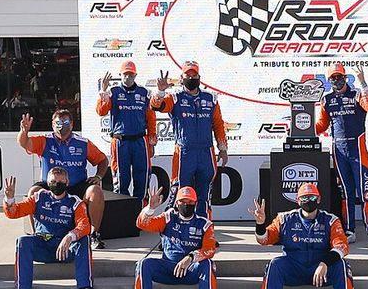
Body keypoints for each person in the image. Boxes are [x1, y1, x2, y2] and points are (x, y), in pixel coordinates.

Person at [251, 183, 355, 289]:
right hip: (294, 268)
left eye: (312, 197)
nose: (308, 201)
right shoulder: (284, 218)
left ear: (319, 199)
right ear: (298, 201)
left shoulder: (331, 220)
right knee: (274, 264)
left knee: (342, 265)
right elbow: (264, 239)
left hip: (320, 271)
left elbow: (342, 246)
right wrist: (260, 224)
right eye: (304, 198)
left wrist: (325, 263)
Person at [2, 171, 95, 289]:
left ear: (67, 183)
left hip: (65, 249)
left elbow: (85, 225)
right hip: (43, 246)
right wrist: (9, 199)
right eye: (52, 182)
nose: (56, 185)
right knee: (23, 241)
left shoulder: (75, 202)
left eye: (60, 182)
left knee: (84, 241)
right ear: (47, 183)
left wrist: (70, 236)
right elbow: (14, 212)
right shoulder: (39, 197)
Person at [18, 109, 109, 249]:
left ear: (72, 124)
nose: (62, 126)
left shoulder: (83, 143)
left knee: (96, 191)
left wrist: (98, 176)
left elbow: (102, 160)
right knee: (33, 192)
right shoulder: (44, 141)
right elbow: (25, 143)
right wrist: (24, 132)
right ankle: (38, 235)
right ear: (53, 125)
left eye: (65, 122)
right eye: (58, 123)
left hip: (76, 185)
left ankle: (93, 235)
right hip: (51, 186)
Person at [134, 185, 217, 289]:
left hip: (191, 270)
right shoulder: (168, 217)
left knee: (208, 264)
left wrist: (191, 258)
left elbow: (210, 249)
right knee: (143, 264)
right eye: (183, 201)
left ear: (196, 204)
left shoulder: (205, 224)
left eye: (190, 202)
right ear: (176, 203)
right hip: (168, 268)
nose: (187, 205)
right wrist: (150, 209)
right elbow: (141, 224)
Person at [151, 61, 229, 219]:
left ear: (199, 77)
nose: (191, 78)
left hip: (206, 153)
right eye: (188, 75)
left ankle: (205, 233)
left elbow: (218, 125)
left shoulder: (211, 99)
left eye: (194, 75)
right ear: (181, 78)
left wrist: (223, 148)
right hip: (184, 153)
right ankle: (168, 235)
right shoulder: (174, 97)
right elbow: (157, 106)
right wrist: (159, 92)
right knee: (178, 192)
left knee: (204, 196)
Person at [316, 63, 368, 248]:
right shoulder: (326, 100)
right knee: (346, 193)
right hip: (339, 151)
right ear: (329, 81)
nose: (337, 80)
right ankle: (350, 229)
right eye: (333, 78)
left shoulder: (356, 95)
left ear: (346, 77)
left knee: (365, 193)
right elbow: (321, 125)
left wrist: (363, 82)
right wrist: (300, 127)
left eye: (339, 76)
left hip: (358, 150)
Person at [96, 61, 157, 205]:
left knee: (142, 178)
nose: (128, 77)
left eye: (130, 74)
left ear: (135, 75)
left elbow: (151, 118)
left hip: (140, 141)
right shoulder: (113, 92)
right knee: (121, 179)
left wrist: (152, 142)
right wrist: (103, 92)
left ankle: (141, 215)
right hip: (120, 141)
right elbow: (101, 111)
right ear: (120, 75)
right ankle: (123, 214)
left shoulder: (145, 93)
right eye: (125, 74)